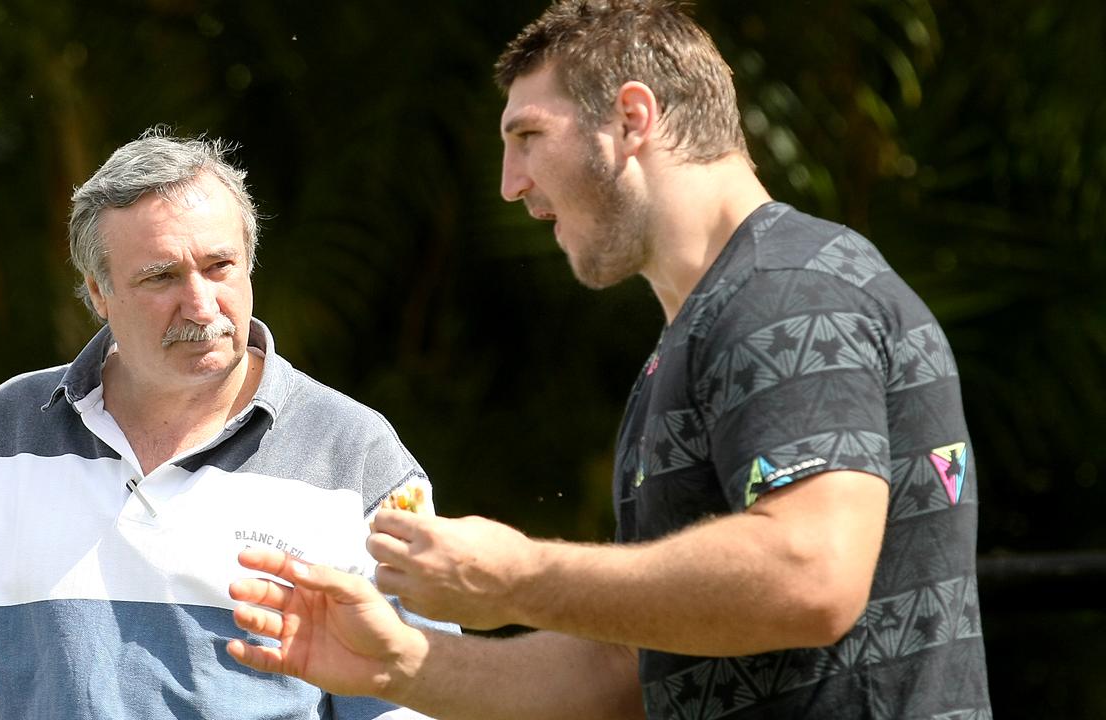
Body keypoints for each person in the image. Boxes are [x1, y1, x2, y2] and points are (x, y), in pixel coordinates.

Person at [224, 1, 993, 718]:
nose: (509, 184)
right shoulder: (706, 327)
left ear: (630, 118)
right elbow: (620, 668)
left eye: (527, 136)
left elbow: (812, 574)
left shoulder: (786, 292)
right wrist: (402, 667)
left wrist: (518, 576)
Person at [0, 127, 450, 719]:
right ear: (98, 291)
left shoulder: (354, 454)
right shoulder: (6, 434)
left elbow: (416, 695)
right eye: (161, 277)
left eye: (220, 266)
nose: (201, 305)